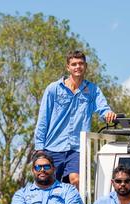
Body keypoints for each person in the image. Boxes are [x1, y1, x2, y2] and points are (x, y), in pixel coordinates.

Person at [34, 50, 117, 188]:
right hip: (53, 147)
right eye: (74, 64)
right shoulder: (53, 89)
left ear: (85, 66)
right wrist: (39, 148)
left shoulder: (93, 90)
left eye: (80, 63)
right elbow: (43, 118)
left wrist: (108, 114)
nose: (77, 67)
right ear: (68, 67)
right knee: (50, 186)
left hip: (77, 148)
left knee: (75, 180)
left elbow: (103, 108)